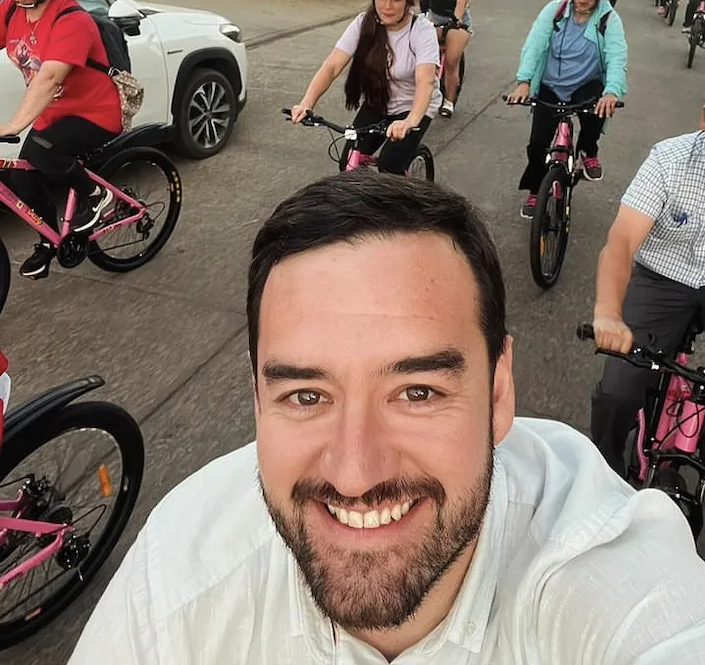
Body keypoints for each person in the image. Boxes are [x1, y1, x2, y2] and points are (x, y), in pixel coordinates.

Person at [69, 170, 705, 664]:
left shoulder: (610, 578)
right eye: (306, 396)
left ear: (499, 389)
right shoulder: (180, 568)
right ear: (258, 399)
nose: (354, 473)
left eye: (418, 392)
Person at [0, 0, 120, 279]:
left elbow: (50, 77)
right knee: (20, 178)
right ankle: (48, 242)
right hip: (51, 114)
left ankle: (97, 195)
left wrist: (12, 125)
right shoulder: (11, 13)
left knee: (44, 153)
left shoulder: (72, 20)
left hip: (94, 112)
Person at [591, 122, 705, 478]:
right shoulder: (669, 159)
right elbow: (622, 240)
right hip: (662, 279)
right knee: (617, 393)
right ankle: (604, 480)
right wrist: (609, 313)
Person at [289, 0, 440, 175]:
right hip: (378, 101)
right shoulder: (363, 23)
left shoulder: (421, 30)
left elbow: (425, 81)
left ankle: (404, 206)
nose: (387, 6)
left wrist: (410, 121)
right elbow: (332, 66)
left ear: (408, 2)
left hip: (414, 106)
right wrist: (306, 103)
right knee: (349, 162)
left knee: (390, 166)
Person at [507, 0, 628, 219]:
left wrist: (612, 90)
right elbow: (534, 45)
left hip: (585, 85)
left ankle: (587, 151)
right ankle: (535, 190)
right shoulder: (555, 10)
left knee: (597, 106)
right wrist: (524, 82)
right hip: (550, 85)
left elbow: (617, 55)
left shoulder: (607, 18)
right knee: (537, 144)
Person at [416, 0, 473, 119]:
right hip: (433, 17)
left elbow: (460, 3)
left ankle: (448, 100)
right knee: (418, 54)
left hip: (457, 22)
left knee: (450, 60)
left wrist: (454, 21)